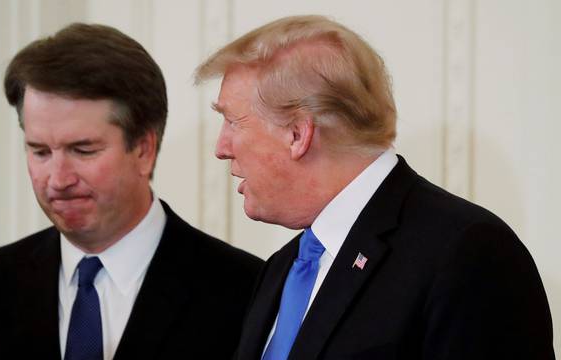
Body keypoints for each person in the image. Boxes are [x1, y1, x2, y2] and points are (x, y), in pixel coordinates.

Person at [194, 15, 554, 360]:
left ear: (297, 134)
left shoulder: (468, 253)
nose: (221, 148)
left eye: (232, 121)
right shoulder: (282, 268)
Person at [0, 23, 264, 360]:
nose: (57, 179)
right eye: (40, 151)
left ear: (144, 149)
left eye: (83, 150)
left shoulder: (245, 291)